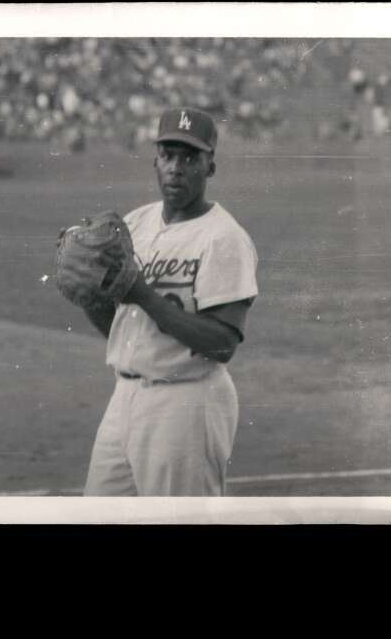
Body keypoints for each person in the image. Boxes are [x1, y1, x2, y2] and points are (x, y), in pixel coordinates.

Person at [82, 108, 259, 496]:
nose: (176, 168)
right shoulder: (134, 224)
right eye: (168, 155)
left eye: (190, 158)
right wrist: (89, 296)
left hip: (186, 404)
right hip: (124, 397)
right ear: (155, 162)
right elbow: (123, 328)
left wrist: (144, 295)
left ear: (210, 167)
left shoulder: (223, 237)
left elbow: (223, 344)